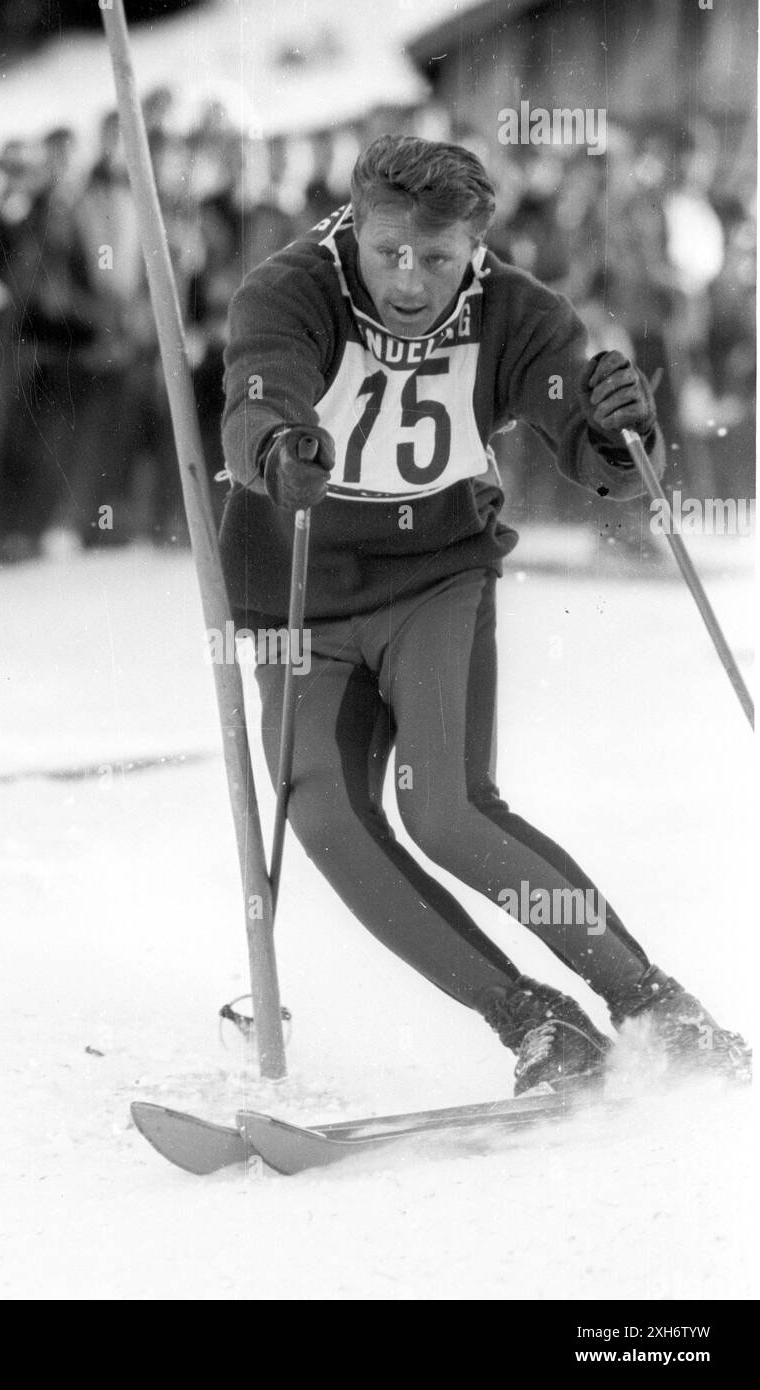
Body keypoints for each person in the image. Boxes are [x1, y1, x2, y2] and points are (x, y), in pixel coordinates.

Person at [219, 135, 750, 1095]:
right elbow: (257, 391)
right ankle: (537, 1024)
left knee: (447, 810)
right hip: (299, 585)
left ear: (476, 242)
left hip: (434, 578)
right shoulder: (289, 289)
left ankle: (650, 1004)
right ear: (353, 226)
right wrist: (277, 445)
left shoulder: (515, 312)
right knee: (326, 815)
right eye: (389, 254)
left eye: (439, 256)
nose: (412, 279)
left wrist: (623, 428)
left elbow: (596, 457)